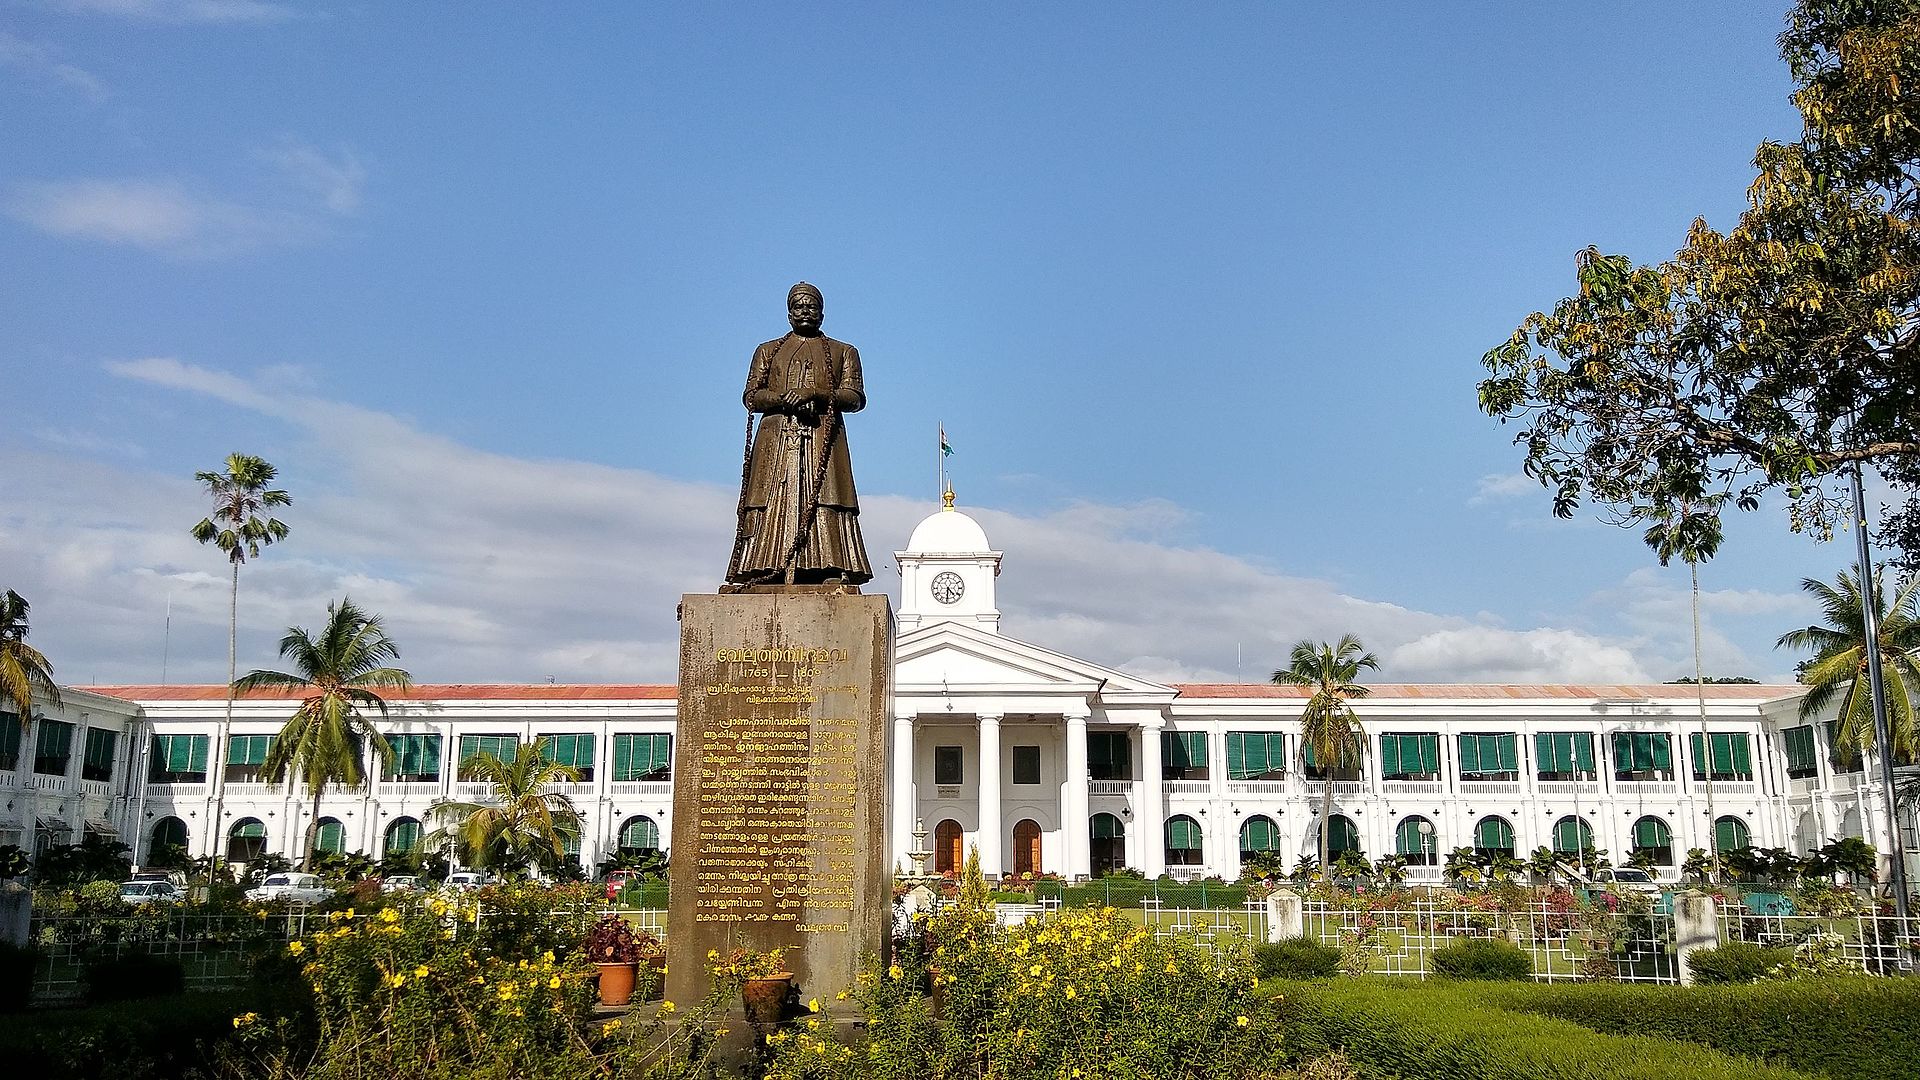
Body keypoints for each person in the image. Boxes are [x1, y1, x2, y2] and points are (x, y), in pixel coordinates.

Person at [725, 282, 873, 586]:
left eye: (812, 306)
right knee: (770, 499)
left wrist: (816, 393)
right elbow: (751, 396)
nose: (805, 311)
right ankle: (763, 567)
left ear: (822, 311)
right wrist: (783, 400)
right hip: (776, 440)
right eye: (798, 306)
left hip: (822, 438)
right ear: (789, 312)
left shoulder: (843, 351)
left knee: (825, 498)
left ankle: (831, 566)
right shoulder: (767, 351)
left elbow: (855, 396)